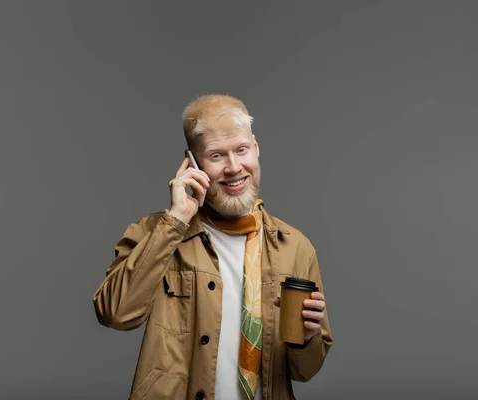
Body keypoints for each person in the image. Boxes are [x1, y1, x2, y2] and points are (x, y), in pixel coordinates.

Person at [92, 94, 333, 399]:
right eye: (217, 156)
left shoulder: (295, 246)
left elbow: (305, 371)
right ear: (191, 162)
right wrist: (177, 220)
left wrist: (306, 339)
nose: (234, 167)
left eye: (242, 150)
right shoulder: (155, 232)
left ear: (256, 149)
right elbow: (115, 314)